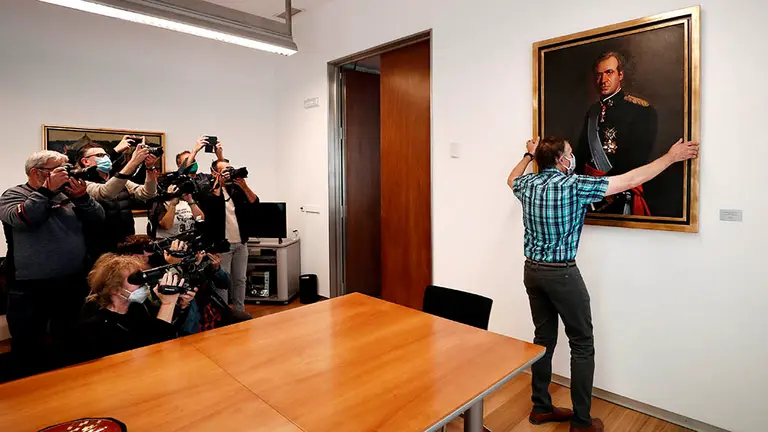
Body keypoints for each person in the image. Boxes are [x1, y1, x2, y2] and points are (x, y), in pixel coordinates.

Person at [507, 136, 698, 432]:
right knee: (582, 344)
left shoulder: (528, 185)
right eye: (570, 153)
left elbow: (511, 179)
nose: (574, 157)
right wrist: (671, 157)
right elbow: (631, 179)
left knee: (543, 340)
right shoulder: (575, 185)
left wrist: (528, 155)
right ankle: (582, 422)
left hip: (532, 272)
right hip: (562, 275)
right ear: (561, 159)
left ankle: (541, 408)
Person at [0, 150, 105, 374]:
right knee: (28, 343)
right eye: (60, 169)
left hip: (71, 281)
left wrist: (82, 198)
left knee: (71, 339)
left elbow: (98, 220)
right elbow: (25, 218)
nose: (67, 173)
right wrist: (46, 191)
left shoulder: (68, 195)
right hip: (29, 286)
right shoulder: (13, 195)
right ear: (37, 173)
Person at [575, 51, 658, 216]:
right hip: (593, 194)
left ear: (620, 75)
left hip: (621, 191)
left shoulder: (640, 110)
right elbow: (582, 153)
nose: (603, 80)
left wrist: (609, 187)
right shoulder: (593, 111)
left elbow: (637, 158)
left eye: (609, 72)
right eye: (598, 75)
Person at [76, 254, 195, 362]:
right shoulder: (97, 325)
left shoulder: (137, 308)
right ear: (114, 289)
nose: (143, 284)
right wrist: (167, 304)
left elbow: (168, 330)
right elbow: (155, 347)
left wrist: (181, 306)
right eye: (135, 280)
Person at [199, 154, 259, 312]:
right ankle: (223, 314)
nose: (228, 173)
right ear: (214, 173)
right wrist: (219, 182)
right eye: (224, 171)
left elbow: (255, 203)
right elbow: (210, 208)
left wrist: (244, 186)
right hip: (222, 245)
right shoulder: (208, 190)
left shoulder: (236, 190)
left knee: (240, 279)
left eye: (230, 170)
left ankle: (239, 311)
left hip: (241, 242)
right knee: (222, 282)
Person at [77, 138, 159, 253]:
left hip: (127, 240)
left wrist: (149, 168)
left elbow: (146, 193)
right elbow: (105, 192)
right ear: (85, 161)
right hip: (99, 245)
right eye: (100, 155)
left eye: (106, 155)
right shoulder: (81, 183)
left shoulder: (118, 179)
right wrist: (133, 162)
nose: (106, 158)